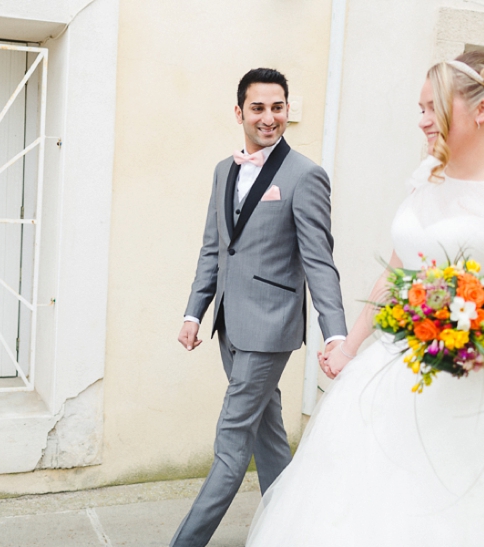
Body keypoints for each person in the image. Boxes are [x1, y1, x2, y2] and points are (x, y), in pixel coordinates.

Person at [246, 51, 484, 546]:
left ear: (480, 110)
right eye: (421, 108)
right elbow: (396, 271)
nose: (422, 120)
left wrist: (479, 330)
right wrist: (350, 344)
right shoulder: (426, 176)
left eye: (433, 107)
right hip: (392, 374)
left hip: (479, 386)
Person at [171, 68, 348, 547]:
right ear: (240, 112)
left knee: (231, 450)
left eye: (278, 107)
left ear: (287, 110)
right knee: (269, 440)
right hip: (229, 326)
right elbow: (215, 248)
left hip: (270, 331)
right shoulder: (222, 170)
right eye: (258, 108)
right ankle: (292, 533)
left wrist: (336, 334)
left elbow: (319, 260)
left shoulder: (305, 175)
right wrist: (195, 312)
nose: (269, 118)